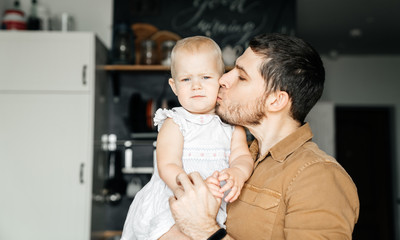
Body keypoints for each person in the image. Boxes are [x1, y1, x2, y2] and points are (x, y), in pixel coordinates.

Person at [168, 33, 360, 239]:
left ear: (276, 100)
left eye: (241, 77)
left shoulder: (318, 177)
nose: (223, 79)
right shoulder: (235, 156)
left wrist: (205, 230)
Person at [120, 36, 254, 240]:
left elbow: (242, 157)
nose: (196, 86)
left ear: (221, 81)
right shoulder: (174, 122)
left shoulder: (231, 125)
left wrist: (238, 172)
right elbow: (168, 165)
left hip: (215, 203)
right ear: (174, 87)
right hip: (174, 199)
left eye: (206, 78)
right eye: (186, 79)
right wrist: (188, 192)